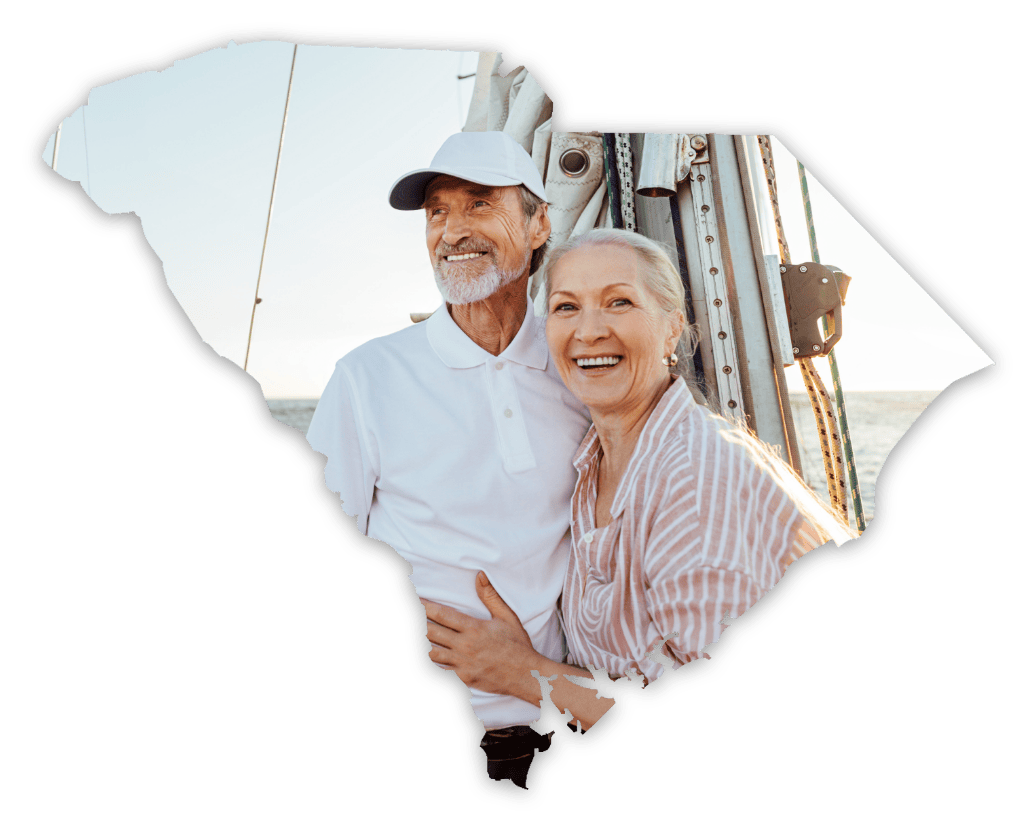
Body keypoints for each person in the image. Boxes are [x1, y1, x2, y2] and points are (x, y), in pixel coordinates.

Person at [423, 229, 855, 731]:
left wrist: (522, 673)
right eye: (566, 308)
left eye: (619, 302)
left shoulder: (695, 482)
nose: (589, 331)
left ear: (672, 328)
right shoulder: (594, 461)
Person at [305, 131, 592, 787]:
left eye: (478, 203)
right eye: (437, 211)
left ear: (539, 221)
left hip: (561, 729)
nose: (451, 230)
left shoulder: (579, 368)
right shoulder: (368, 377)